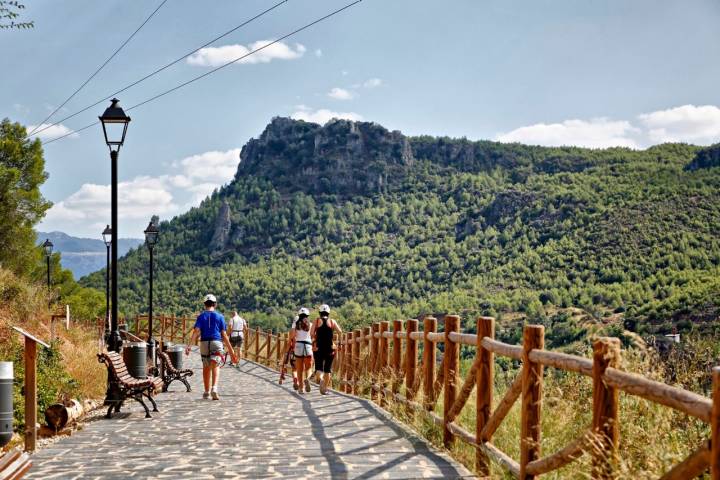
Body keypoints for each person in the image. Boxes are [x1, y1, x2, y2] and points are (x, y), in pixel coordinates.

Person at [185, 294, 237, 400]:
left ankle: (206, 391)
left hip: (204, 343)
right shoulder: (220, 316)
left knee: (206, 367)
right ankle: (214, 388)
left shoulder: (201, 316)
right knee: (216, 365)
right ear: (215, 304)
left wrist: (189, 346)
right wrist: (231, 351)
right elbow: (224, 335)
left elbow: (196, 332)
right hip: (216, 342)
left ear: (205, 304)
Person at [311, 304, 343, 395]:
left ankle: (320, 379)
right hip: (330, 348)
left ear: (320, 312)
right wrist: (340, 343)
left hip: (318, 348)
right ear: (328, 313)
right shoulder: (332, 322)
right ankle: (324, 388)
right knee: (328, 369)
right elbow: (340, 332)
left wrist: (314, 340)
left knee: (319, 368)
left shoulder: (316, 321)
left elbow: (311, 333)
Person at [289, 308, 313, 394]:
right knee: (308, 367)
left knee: (299, 369)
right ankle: (307, 379)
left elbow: (292, 335)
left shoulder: (296, 324)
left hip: (298, 345)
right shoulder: (310, 324)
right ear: (307, 316)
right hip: (308, 346)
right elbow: (313, 335)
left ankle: (301, 388)